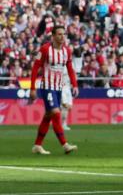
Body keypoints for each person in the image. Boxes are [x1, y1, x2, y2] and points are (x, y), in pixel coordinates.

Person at [29, 25, 79, 155]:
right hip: (47, 87)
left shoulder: (67, 51)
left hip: (58, 87)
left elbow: (70, 68)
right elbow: (35, 68)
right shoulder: (45, 49)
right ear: (53, 36)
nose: (62, 37)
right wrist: (32, 88)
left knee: (48, 116)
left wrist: (75, 84)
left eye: (64, 34)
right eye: (59, 34)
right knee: (56, 113)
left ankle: (37, 145)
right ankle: (65, 145)